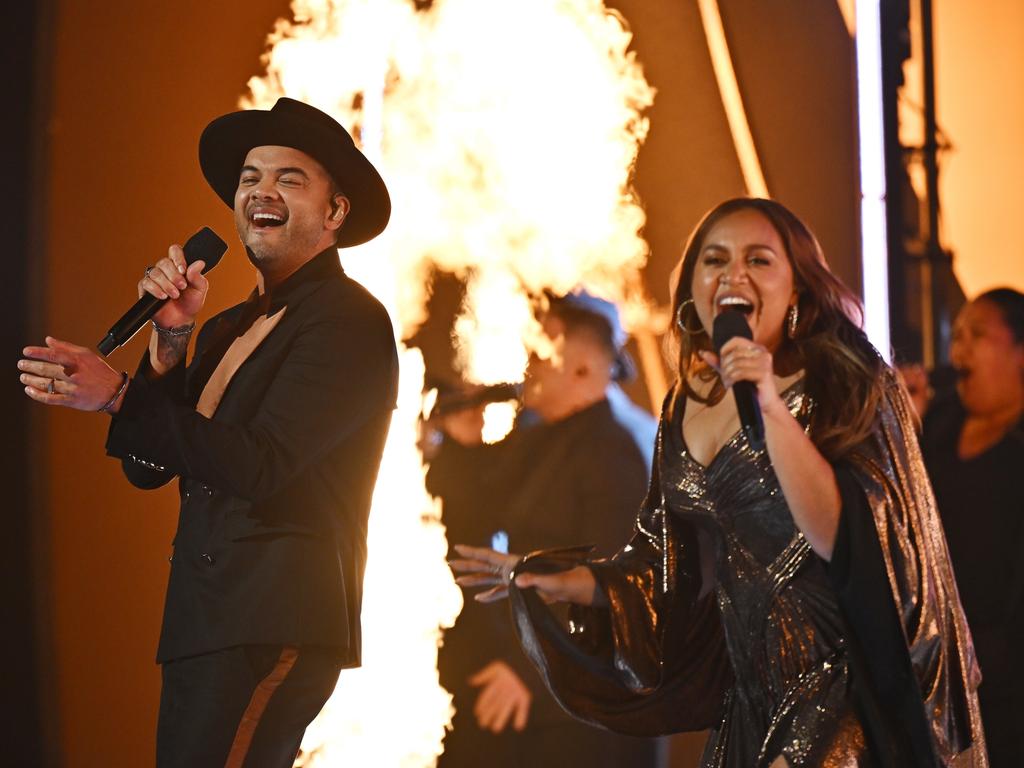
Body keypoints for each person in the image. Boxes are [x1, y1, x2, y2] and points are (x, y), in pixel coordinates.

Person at [452, 198, 988, 766]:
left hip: (842, 685)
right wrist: (565, 580)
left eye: (758, 260)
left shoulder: (847, 385)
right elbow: (660, 567)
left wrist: (767, 401)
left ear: (797, 288)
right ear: (694, 290)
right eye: (716, 260)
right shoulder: (685, 405)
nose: (734, 275)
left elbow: (851, 540)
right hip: (749, 693)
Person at [18, 97, 399, 766]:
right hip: (204, 619)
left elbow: (260, 464)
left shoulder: (349, 320)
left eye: (290, 178)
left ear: (335, 213)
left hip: (272, 618)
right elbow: (148, 463)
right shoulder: (224, 326)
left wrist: (115, 396)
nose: (262, 191)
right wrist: (168, 343)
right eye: (250, 178)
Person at [428, 291, 661, 767]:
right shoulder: (536, 436)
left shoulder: (613, 451)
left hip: (577, 709)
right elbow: (477, 530)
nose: (528, 360)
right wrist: (465, 450)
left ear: (583, 370)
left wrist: (529, 670)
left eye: (541, 348)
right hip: (528, 688)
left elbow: (612, 589)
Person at [919, 288, 1024, 766]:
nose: (957, 352)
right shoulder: (938, 422)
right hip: (928, 668)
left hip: (1002, 683)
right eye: (956, 336)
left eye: (976, 336)